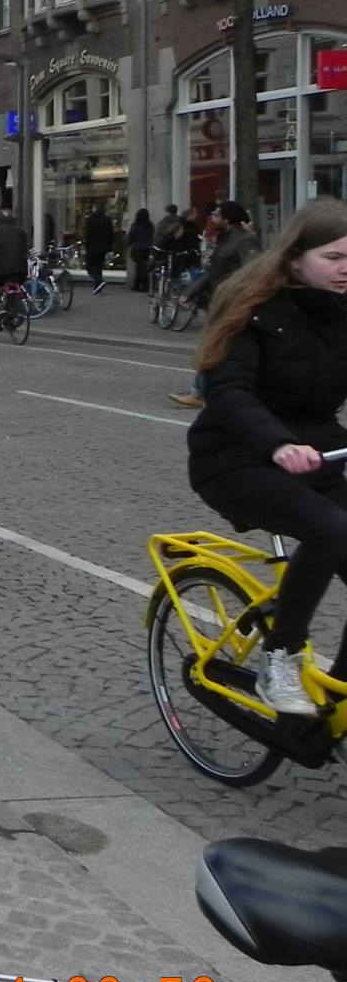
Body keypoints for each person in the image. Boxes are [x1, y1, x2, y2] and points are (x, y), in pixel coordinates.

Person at [187, 199, 347, 715]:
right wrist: (278, 444)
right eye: (334, 257)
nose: (345, 268)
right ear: (295, 258)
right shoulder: (254, 306)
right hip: (234, 458)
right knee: (331, 528)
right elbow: (228, 390)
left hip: (318, 455)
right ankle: (280, 657)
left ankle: (330, 710)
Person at [170, 202, 264, 409]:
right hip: (222, 301)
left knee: (216, 347)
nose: (213, 218)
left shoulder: (244, 241)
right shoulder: (226, 239)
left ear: (227, 219)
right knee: (218, 348)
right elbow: (213, 272)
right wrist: (191, 292)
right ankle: (203, 392)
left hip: (234, 304)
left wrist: (243, 300)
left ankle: (201, 393)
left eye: (217, 215)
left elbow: (254, 272)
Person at [83, 204, 114, 294]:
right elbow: (111, 234)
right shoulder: (107, 220)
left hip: (92, 247)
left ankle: (99, 281)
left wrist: (86, 245)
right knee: (99, 267)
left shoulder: (90, 219)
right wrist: (109, 246)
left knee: (89, 267)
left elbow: (87, 234)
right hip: (103, 247)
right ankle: (98, 287)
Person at [127, 207, 157, 293]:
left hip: (137, 248)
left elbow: (131, 237)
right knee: (145, 267)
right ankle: (145, 284)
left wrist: (129, 244)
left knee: (139, 267)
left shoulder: (135, 226)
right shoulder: (150, 226)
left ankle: (138, 284)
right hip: (147, 248)